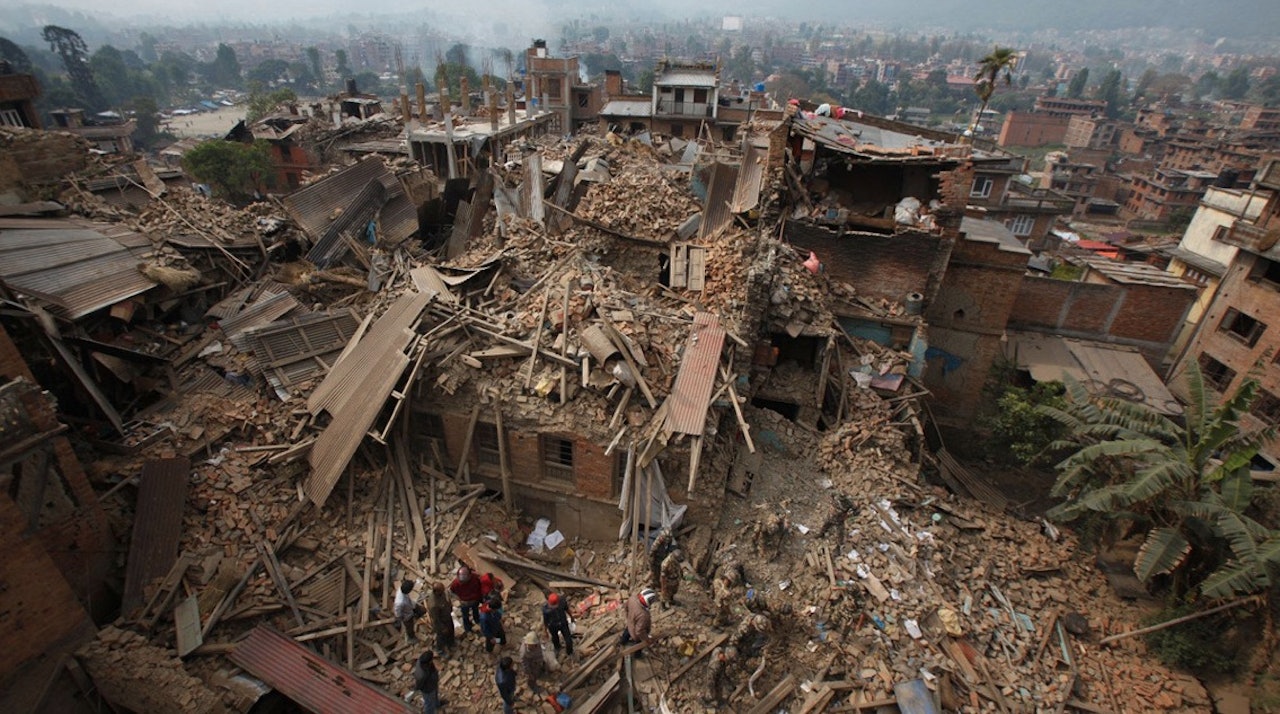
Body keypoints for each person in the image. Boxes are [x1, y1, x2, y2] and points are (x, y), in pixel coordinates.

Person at [620, 588, 657, 655]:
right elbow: (639, 631)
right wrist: (647, 639)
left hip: (630, 624)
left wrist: (629, 618)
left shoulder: (632, 598)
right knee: (639, 644)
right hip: (636, 634)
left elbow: (625, 607)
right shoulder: (644, 615)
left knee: (627, 633)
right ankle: (637, 655)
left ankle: (622, 642)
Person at [449, 566, 483, 636]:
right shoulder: (456, 583)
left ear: (470, 575)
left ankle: (477, 620)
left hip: (474, 600)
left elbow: (480, 584)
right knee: (465, 616)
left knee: (475, 610)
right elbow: (452, 592)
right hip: (465, 603)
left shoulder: (475, 578)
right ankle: (468, 629)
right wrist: (459, 599)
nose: (462, 582)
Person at [426, 582, 455, 656]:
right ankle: (440, 650)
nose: (444, 591)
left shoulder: (443, 593)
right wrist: (442, 627)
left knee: (451, 630)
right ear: (436, 592)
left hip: (447, 617)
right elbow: (435, 619)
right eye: (442, 590)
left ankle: (450, 643)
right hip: (441, 622)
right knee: (441, 636)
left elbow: (447, 600)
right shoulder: (433, 604)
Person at [542, 592, 574, 657]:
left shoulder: (562, 602)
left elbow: (567, 609)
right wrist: (545, 631)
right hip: (552, 625)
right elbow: (545, 620)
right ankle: (557, 648)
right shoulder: (545, 609)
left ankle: (569, 653)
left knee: (568, 640)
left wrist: (571, 617)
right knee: (555, 638)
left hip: (563, 623)